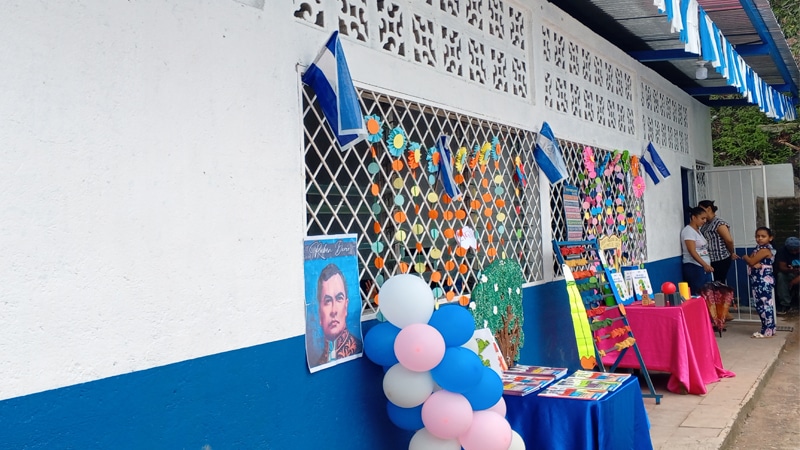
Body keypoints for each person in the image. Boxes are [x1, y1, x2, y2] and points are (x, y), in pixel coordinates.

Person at [315, 263, 362, 366]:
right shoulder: (319, 362)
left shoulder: (359, 348)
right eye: (327, 301)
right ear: (319, 313)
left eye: (339, 298)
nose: (334, 310)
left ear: (346, 306)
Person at [742, 227, 777, 338]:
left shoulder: (764, 250)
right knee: (761, 305)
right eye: (757, 236)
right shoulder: (758, 249)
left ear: (770, 238)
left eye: (763, 236)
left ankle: (767, 330)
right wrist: (751, 262)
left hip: (763, 281)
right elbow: (752, 261)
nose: (760, 238)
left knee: (764, 305)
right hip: (758, 280)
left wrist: (746, 258)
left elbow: (751, 260)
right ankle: (768, 328)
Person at [698, 200, 739, 283]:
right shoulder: (706, 224)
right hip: (711, 258)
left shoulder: (719, 223)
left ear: (709, 209)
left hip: (721, 258)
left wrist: (731, 252)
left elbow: (729, 240)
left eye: (701, 209)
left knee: (719, 282)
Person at [681, 206, 714, 295]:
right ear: (694, 217)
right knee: (698, 293)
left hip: (703, 267)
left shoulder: (698, 231)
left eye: (705, 219)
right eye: (702, 218)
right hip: (694, 267)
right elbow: (692, 251)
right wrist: (704, 265)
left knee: (706, 293)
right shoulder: (688, 231)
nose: (704, 221)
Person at [775, 236, 800, 315]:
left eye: (796, 250)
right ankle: (785, 304)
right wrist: (791, 270)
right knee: (781, 276)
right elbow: (782, 267)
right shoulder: (782, 251)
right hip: (790, 273)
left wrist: (797, 279)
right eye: (791, 250)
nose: (794, 252)